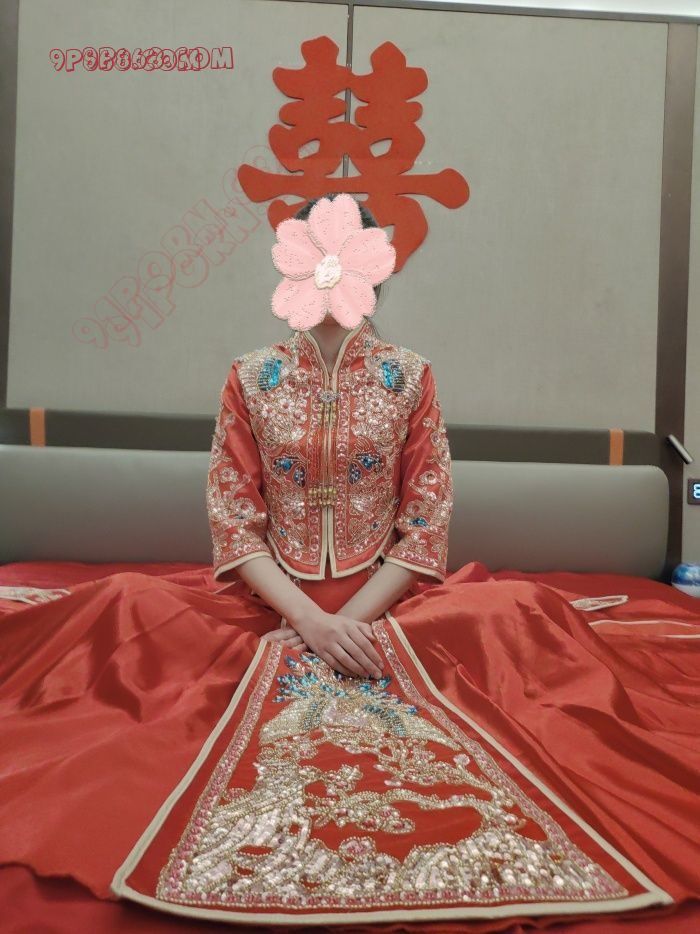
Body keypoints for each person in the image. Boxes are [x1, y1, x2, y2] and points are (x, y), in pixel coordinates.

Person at [1, 193, 699, 932]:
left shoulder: (409, 377)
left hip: (390, 608)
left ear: (374, 267)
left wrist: (344, 627)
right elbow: (233, 522)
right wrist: (308, 622)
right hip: (268, 606)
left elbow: (425, 527)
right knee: (125, 604)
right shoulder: (251, 377)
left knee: (519, 613)